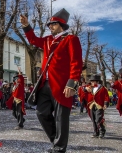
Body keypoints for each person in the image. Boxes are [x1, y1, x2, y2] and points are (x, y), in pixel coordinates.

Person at [20, 8, 82, 152]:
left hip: (62, 85)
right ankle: (56, 140)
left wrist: (72, 83)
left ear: (61, 25)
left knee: (61, 118)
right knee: (41, 113)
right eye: (49, 24)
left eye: (53, 24)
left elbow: (76, 62)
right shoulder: (48, 40)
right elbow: (33, 40)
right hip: (45, 84)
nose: (50, 26)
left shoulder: (71, 39)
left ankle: (59, 148)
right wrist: (26, 25)